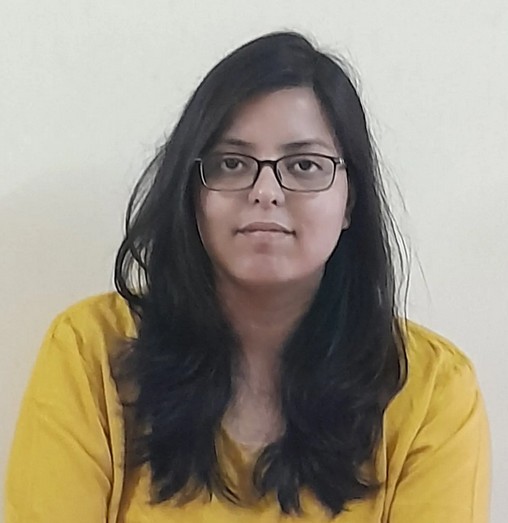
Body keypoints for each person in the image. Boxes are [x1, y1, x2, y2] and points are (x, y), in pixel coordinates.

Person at [5, 31, 490, 522]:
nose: (266, 191)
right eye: (232, 163)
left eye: (304, 165)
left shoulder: (432, 391)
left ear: (350, 203)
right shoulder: (91, 352)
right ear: (192, 192)